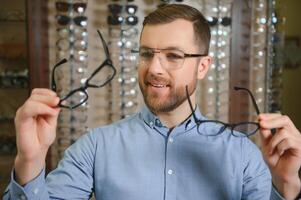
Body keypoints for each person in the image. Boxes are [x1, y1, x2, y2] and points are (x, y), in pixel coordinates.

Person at [3, 4, 301, 200]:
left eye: (173, 55)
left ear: (203, 66)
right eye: (146, 54)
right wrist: (29, 161)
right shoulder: (96, 146)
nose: (154, 68)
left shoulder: (244, 156)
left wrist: (285, 185)